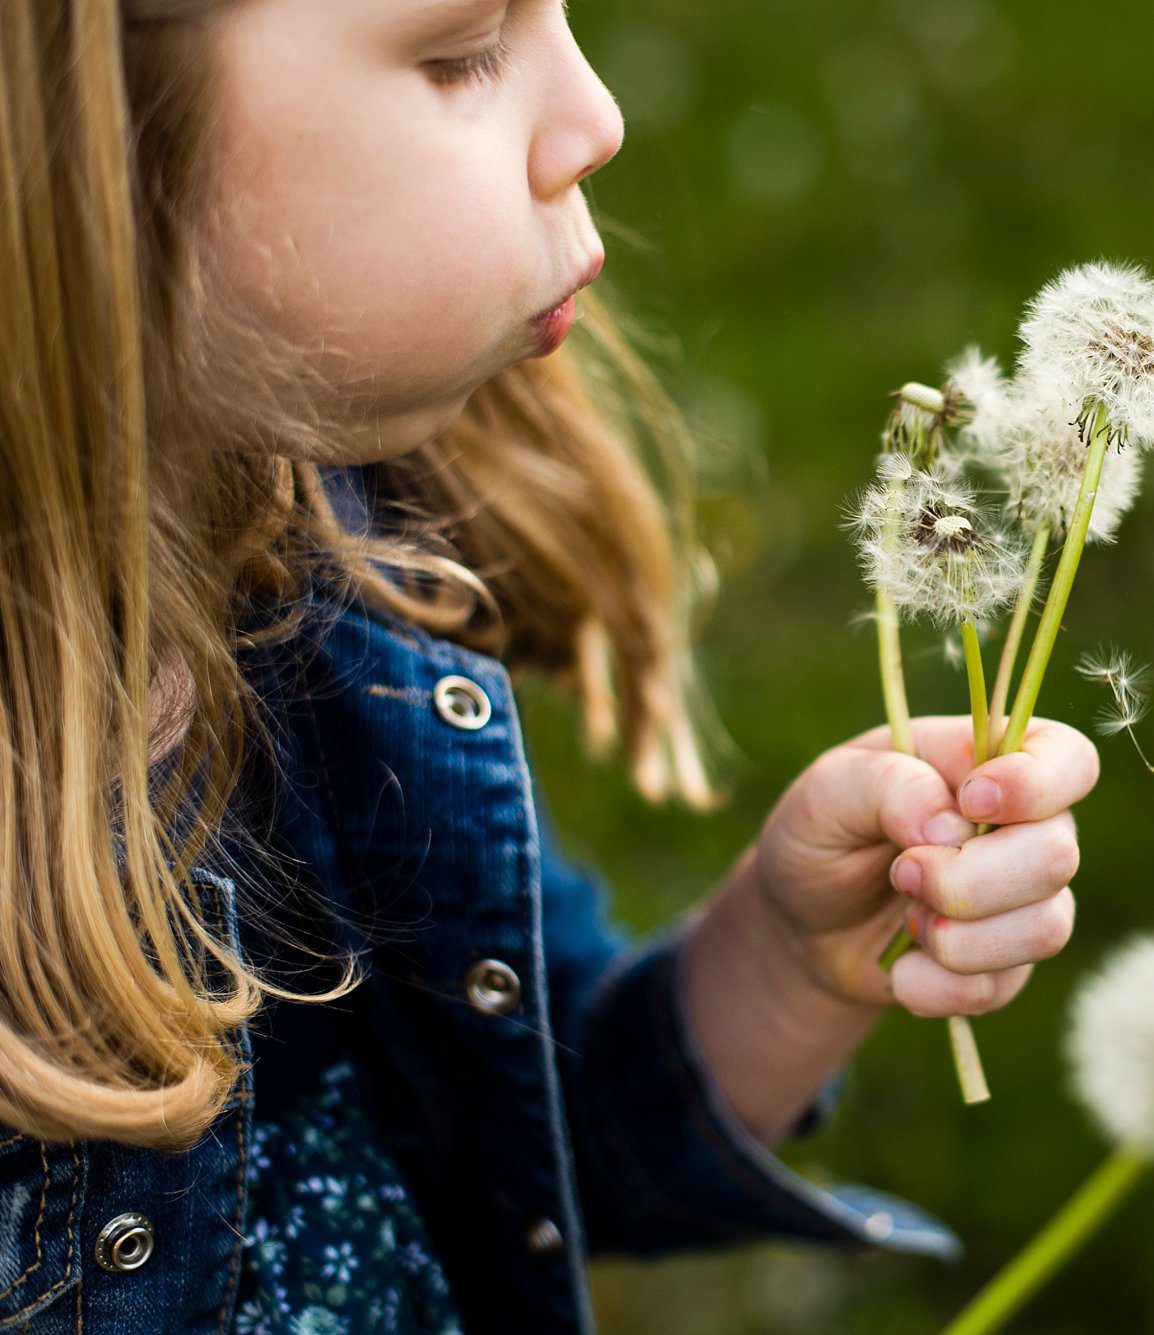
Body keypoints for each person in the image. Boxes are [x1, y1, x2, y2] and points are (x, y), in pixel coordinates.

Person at [0, 2, 1096, 1331]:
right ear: (80, 142)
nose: (598, 119)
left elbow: (517, 1135)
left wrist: (789, 964)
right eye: (463, 51)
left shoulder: (350, 569)